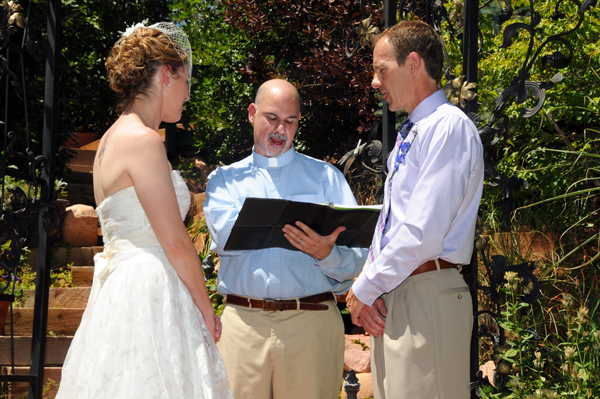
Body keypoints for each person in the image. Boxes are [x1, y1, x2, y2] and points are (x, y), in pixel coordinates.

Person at [56, 22, 231, 399]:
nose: (188, 95)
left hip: (121, 288)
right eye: (187, 81)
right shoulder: (144, 140)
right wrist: (206, 310)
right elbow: (176, 241)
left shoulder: (110, 140)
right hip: (151, 288)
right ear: (167, 74)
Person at [203, 79, 368, 399]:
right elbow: (225, 238)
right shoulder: (224, 181)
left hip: (312, 326)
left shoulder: (327, 178)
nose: (281, 128)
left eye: (290, 121)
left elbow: (357, 256)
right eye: (272, 118)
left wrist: (327, 254)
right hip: (243, 326)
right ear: (252, 114)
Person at [346, 21, 484, 399]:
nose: (375, 82)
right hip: (400, 291)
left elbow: (422, 232)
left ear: (412, 63)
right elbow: (394, 224)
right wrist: (373, 287)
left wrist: (366, 287)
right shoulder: (416, 130)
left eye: (381, 69)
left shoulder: (448, 128)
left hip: (426, 294)